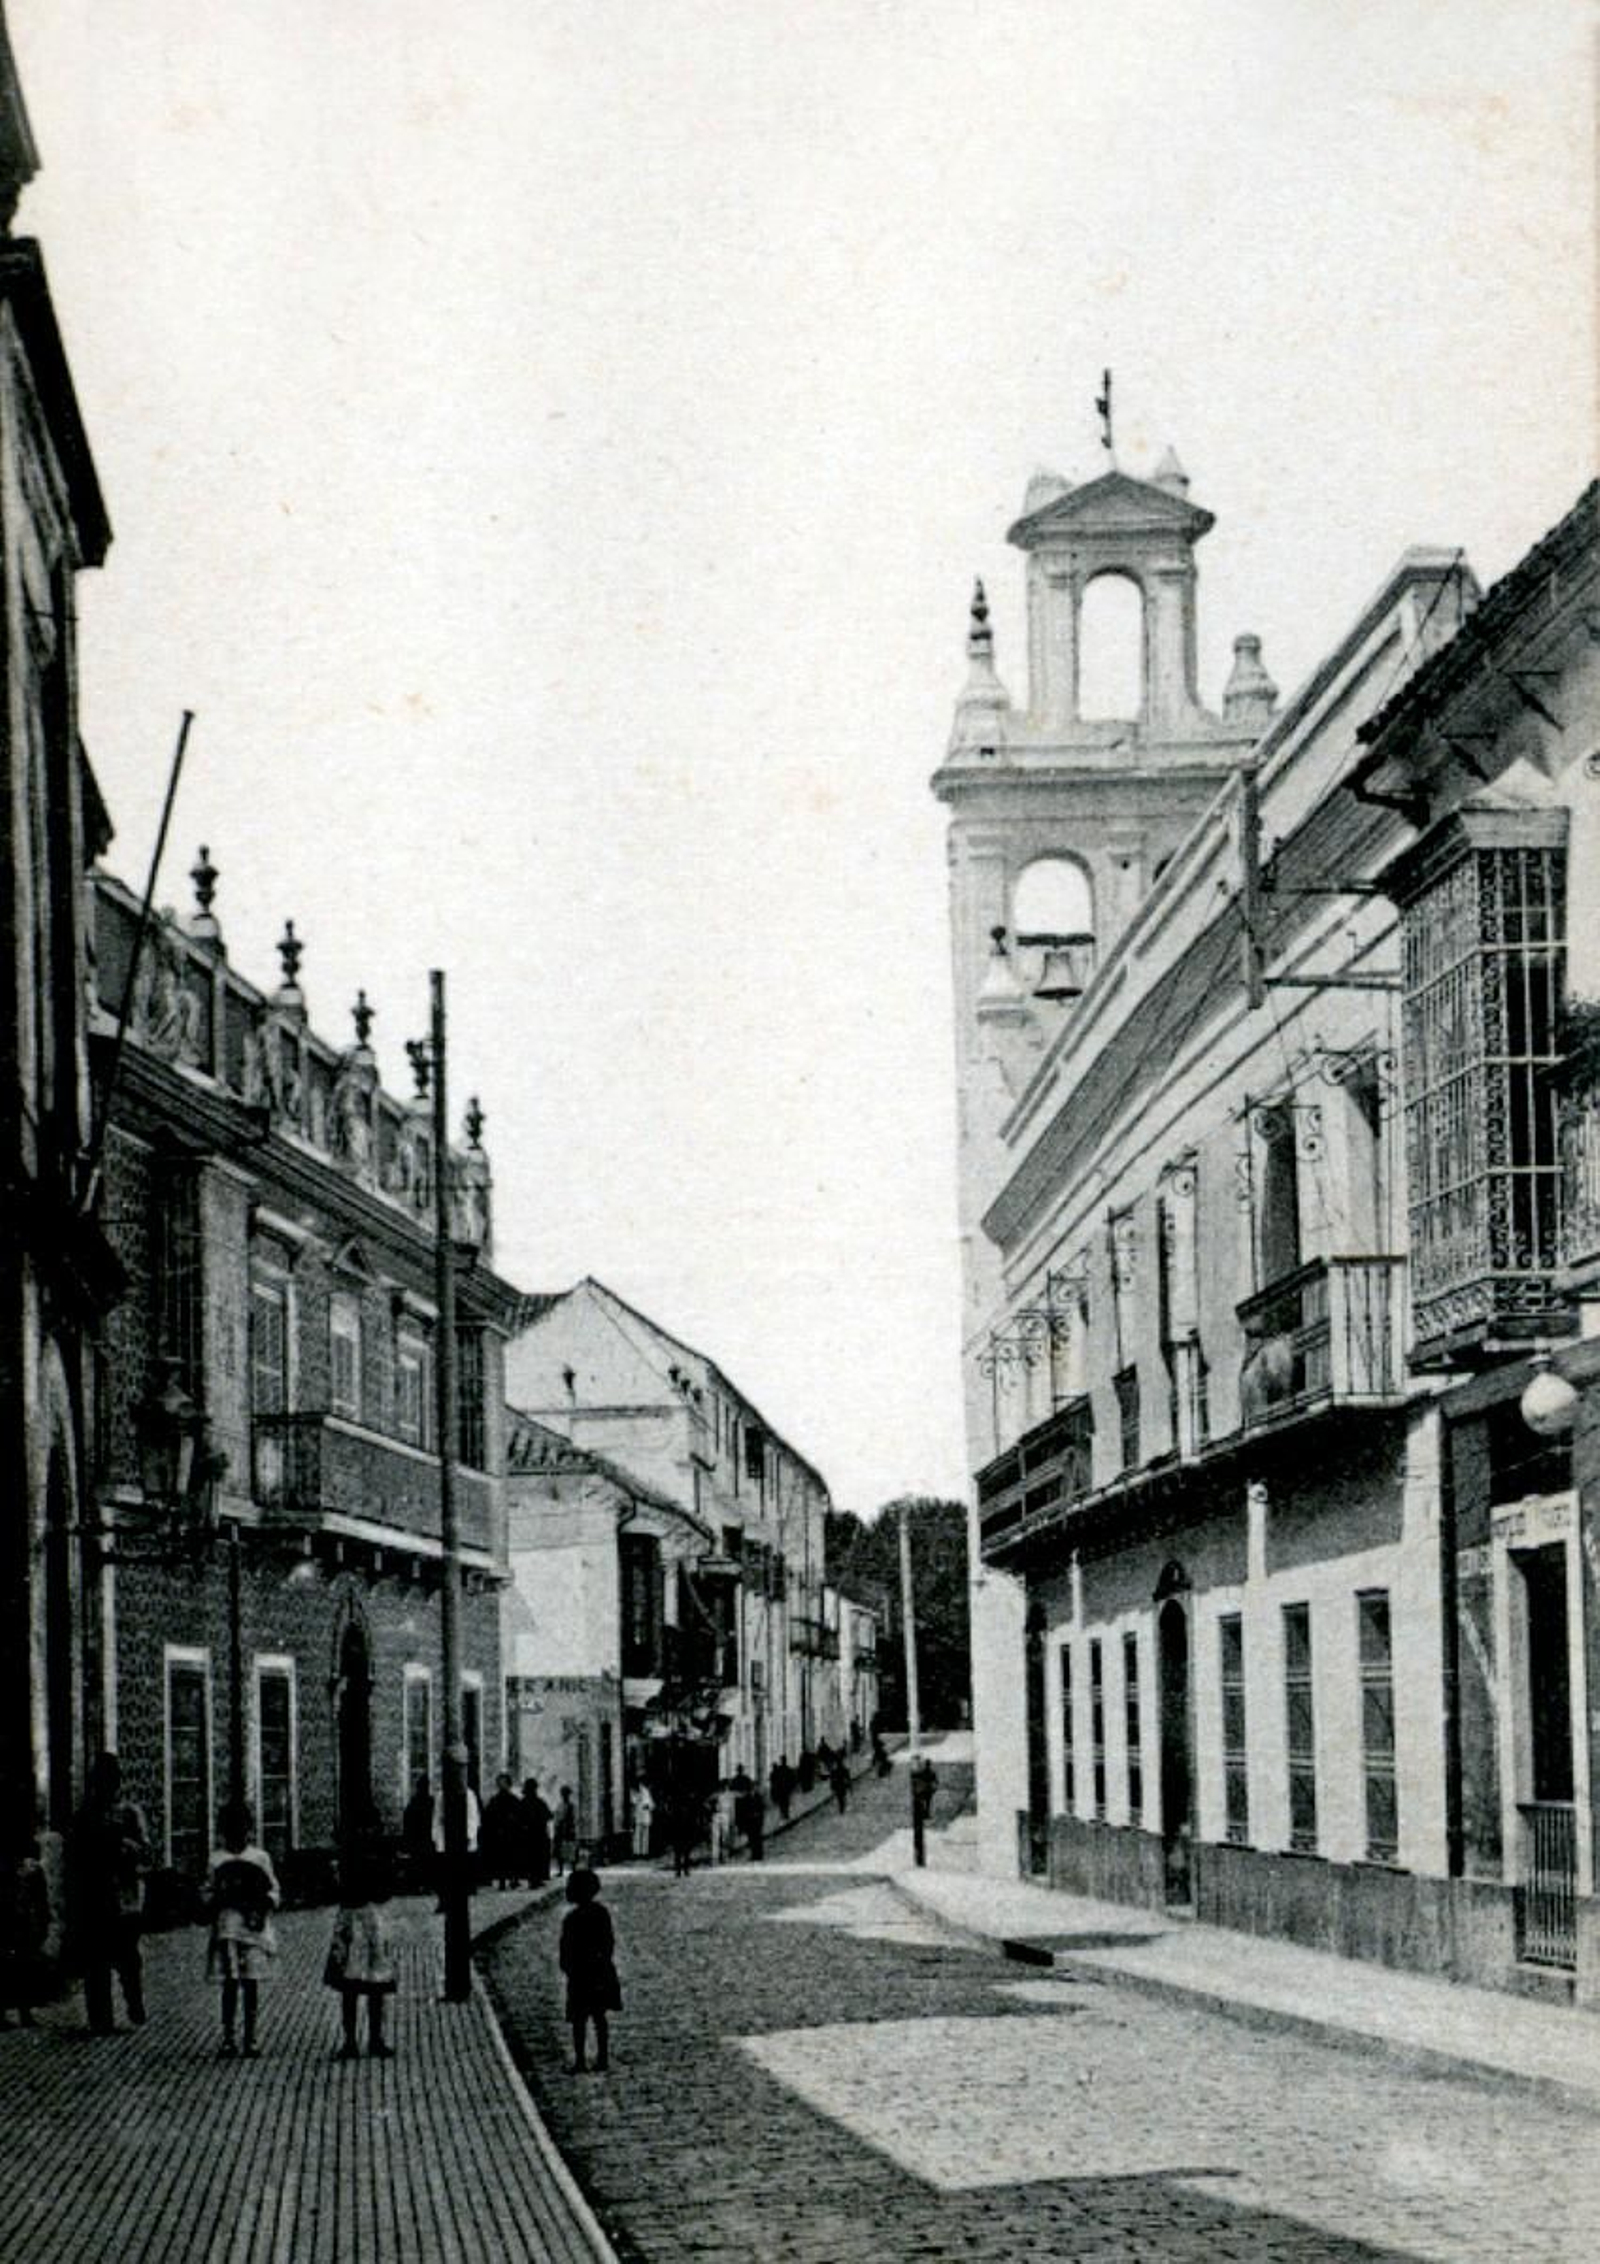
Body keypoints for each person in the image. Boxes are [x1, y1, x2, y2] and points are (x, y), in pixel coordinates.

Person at [68, 1753, 152, 2035]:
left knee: (127, 1956)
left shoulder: (128, 1813)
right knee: (97, 1959)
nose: (106, 1787)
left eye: (111, 1781)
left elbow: (144, 1848)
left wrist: (129, 1848)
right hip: (96, 1894)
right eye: (101, 1781)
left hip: (124, 1894)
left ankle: (133, 2000)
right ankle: (100, 2018)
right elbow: (76, 1857)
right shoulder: (84, 1816)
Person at [205, 1798, 279, 2059]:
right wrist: (212, 1901)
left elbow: (273, 1890)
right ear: (223, 1830)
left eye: (241, 1826)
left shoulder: (260, 1858)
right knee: (230, 1982)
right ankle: (228, 2037)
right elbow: (208, 1892)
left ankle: (251, 2037)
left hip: (253, 1931)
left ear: (249, 1828)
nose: (237, 1832)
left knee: (251, 1983)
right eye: (230, 1827)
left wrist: (263, 1906)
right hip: (227, 1930)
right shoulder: (216, 1860)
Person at [324, 1837, 396, 2060]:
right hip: (368, 1918)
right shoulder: (375, 1854)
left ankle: (354, 2041)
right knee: (371, 1983)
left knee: (353, 1984)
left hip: (356, 1918)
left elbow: (336, 1890)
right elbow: (386, 1890)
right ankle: (371, 2040)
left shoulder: (346, 1857)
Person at [559, 1866, 620, 2074]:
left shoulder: (572, 1919)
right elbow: (609, 1942)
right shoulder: (601, 1913)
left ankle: (580, 2061)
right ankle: (602, 2058)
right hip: (599, 1972)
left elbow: (565, 1948)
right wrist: (603, 1961)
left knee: (579, 2020)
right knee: (599, 2016)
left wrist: (568, 1968)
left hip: (580, 1975)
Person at [0, 1816, 50, 2029]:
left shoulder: (27, 1870)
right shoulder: (32, 1869)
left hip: (17, 1921)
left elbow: (40, 1898)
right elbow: (41, 1899)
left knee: (14, 1966)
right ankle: (23, 2011)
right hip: (20, 1920)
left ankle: (17, 2011)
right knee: (21, 1966)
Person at [480, 1773, 523, 1890]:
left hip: (512, 1833)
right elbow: (487, 1817)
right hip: (498, 1833)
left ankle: (514, 1879)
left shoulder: (515, 1800)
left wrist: (514, 1823)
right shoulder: (494, 1800)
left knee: (513, 1857)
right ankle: (502, 1881)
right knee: (500, 1858)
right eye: (499, 1783)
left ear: (509, 1785)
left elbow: (520, 1817)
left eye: (504, 1783)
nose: (501, 1785)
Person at [401, 1775, 435, 1895]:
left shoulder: (414, 1803)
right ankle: (424, 1886)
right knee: (425, 1863)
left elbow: (407, 1822)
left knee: (420, 1863)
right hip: (425, 1838)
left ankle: (420, 1886)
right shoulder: (430, 1802)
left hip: (420, 1838)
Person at [521, 1778, 553, 1886]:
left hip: (527, 1834)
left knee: (530, 1857)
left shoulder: (523, 1802)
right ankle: (536, 1879)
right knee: (538, 1857)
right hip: (538, 1834)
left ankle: (532, 1879)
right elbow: (549, 1816)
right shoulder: (539, 1802)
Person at [733, 1771, 765, 1863]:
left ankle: (759, 1855)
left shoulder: (758, 1797)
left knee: (757, 1838)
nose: (752, 1789)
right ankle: (754, 1855)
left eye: (754, 1787)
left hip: (757, 1820)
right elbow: (744, 1810)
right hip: (750, 1820)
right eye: (752, 1788)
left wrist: (760, 1819)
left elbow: (761, 1808)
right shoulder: (747, 1798)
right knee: (752, 1838)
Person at [553, 1786, 578, 1873]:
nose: (564, 1796)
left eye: (565, 1794)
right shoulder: (560, 1806)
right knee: (560, 1850)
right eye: (563, 1794)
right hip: (562, 1830)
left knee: (570, 1849)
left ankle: (572, 1869)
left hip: (568, 1830)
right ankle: (561, 1870)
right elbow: (557, 1818)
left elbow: (574, 1819)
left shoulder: (571, 1806)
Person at [911, 1756, 939, 1827]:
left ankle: (924, 1813)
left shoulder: (923, 1772)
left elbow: (916, 1778)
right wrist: (934, 1789)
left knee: (924, 1802)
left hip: (923, 1789)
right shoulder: (932, 1772)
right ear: (929, 1765)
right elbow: (936, 1782)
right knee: (927, 1803)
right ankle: (926, 1814)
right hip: (928, 1790)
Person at [629, 1783, 654, 1860]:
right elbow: (633, 1803)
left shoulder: (646, 1791)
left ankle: (644, 1852)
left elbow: (652, 1804)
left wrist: (648, 1806)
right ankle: (636, 1852)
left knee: (645, 1835)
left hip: (645, 1815)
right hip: (638, 1815)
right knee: (637, 1835)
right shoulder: (633, 1792)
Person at [768, 1756, 795, 1824]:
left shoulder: (781, 1769)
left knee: (783, 1803)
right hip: (784, 1789)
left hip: (782, 1789)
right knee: (785, 1802)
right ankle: (785, 1815)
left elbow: (792, 1778)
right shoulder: (787, 1769)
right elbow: (792, 1779)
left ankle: (784, 1815)